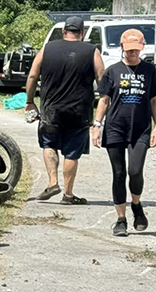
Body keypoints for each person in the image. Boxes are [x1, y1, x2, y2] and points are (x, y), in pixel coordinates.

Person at [25, 16, 105, 204]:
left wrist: (29, 101)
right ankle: (68, 195)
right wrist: (104, 102)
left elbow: (32, 75)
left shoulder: (47, 49)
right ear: (82, 33)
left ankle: (53, 182)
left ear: (63, 31)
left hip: (51, 110)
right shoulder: (92, 51)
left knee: (49, 144)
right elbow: (102, 79)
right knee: (72, 153)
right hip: (79, 111)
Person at [92, 29, 156, 237]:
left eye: (136, 50)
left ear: (142, 47)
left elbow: (154, 101)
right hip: (115, 128)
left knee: (135, 171)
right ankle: (121, 219)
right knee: (118, 174)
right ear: (122, 48)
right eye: (129, 50)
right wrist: (97, 125)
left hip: (141, 129)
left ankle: (136, 205)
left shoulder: (150, 71)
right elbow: (104, 100)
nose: (132, 54)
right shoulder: (113, 71)